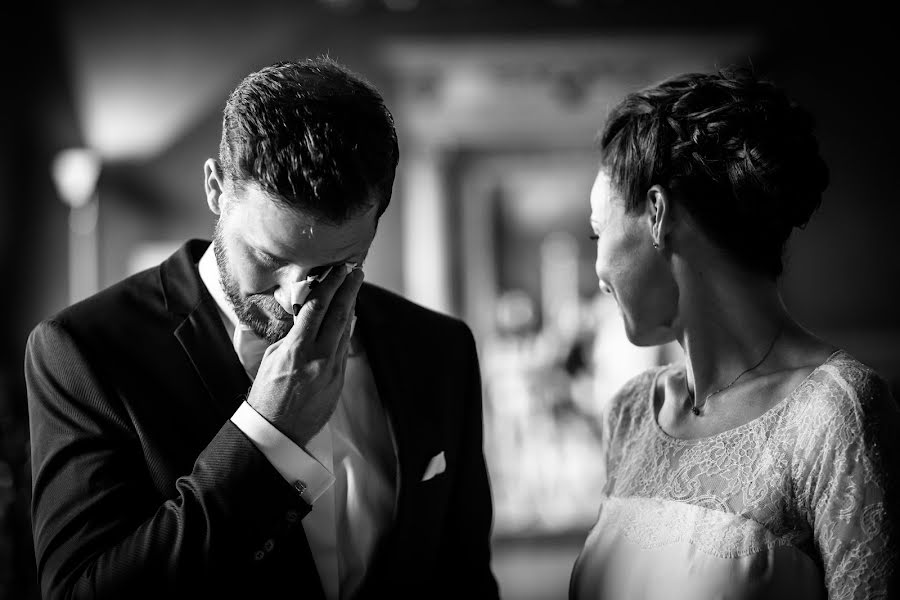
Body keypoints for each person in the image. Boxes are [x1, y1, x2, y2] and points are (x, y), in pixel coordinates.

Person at [25, 56, 499, 599]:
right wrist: (267, 439)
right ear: (215, 189)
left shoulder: (439, 349)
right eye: (268, 257)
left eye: (332, 267)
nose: (297, 298)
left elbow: (465, 580)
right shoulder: (83, 353)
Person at [569, 67, 899, 599]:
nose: (599, 268)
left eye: (597, 230)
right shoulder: (631, 414)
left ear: (657, 213)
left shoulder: (834, 413)